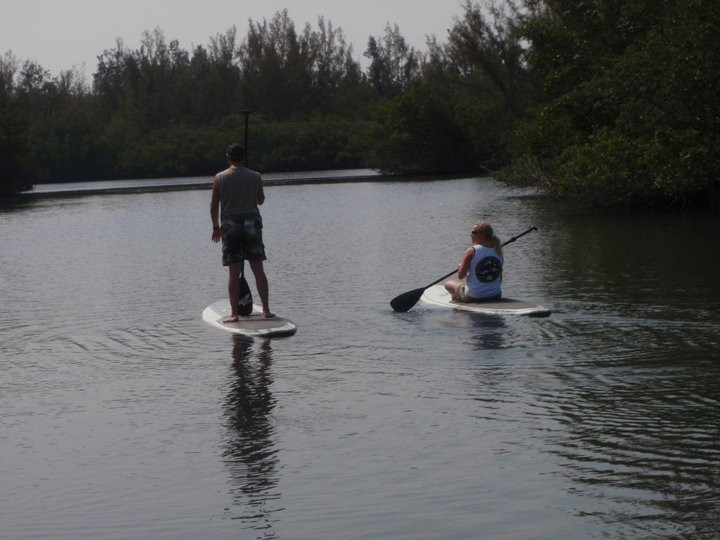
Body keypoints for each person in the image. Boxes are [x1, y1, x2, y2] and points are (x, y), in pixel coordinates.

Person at [210, 143, 273, 321]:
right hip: (252, 224)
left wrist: (216, 227)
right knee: (258, 269)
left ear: (228, 157)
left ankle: (234, 314)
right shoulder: (255, 176)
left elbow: (214, 205)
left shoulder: (219, 177)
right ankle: (266, 310)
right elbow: (260, 201)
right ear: (244, 158)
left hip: (230, 225)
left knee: (233, 272)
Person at [444, 220, 503, 302]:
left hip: (474, 297)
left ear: (482, 235)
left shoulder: (472, 251)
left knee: (448, 284)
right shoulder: (498, 251)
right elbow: (500, 276)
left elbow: (461, 276)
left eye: (473, 232)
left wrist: (461, 267)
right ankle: (458, 296)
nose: (471, 235)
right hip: (496, 295)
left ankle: (457, 297)